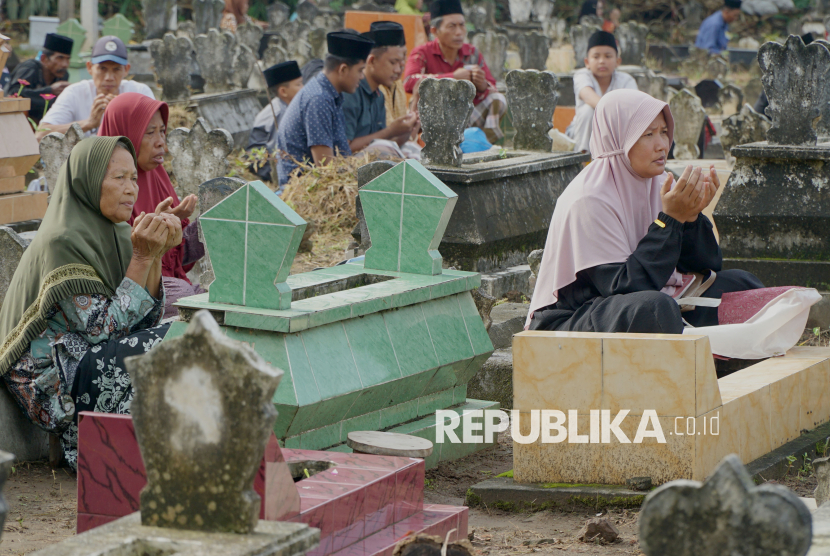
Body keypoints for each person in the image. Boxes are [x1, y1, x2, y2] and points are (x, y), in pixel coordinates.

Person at [0, 136, 181, 468]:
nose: (132, 189)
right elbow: (104, 332)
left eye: (133, 178)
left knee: (186, 334)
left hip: (89, 359)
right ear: (88, 181)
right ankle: (93, 449)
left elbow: (142, 322)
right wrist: (142, 257)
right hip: (52, 385)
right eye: (118, 178)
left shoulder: (117, 233)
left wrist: (155, 253)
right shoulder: (63, 240)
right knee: (176, 341)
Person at [527, 90, 763, 334]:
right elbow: (625, 287)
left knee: (742, 285)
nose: (662, 144)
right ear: (618, 139)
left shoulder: (660, 183)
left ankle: (729, 361)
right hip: (577, 315)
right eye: (647, 134)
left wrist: (691, 216)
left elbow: (708, 265)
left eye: (663, 132)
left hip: (647, 299)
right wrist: (671, 220)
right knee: (653, 309)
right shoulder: (588, 199)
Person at [98, 93, 204, 318]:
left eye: (162, 131)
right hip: (125, 294)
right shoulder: (104, 187)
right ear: (126, 132)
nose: (161, 143)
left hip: (164, 284)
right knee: (188, 300)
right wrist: (156, 230)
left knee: (217, 296)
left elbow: (178, 263)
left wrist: (186, 227)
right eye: (150, 132)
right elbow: (120, 267)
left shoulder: (158, 179)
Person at [275, 31, 374, 188]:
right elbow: (327, 170)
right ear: (343, 70)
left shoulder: (329, 94)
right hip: (304, 194)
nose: (362, 77)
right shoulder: (318, 99)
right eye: (360, 70)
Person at [403, 0, 507, 144]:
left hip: (466, 118)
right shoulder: (422, 53)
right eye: (452, 27)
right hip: (433, 119)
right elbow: (408, 81)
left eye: (462, 25)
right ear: (434, 31)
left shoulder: (472, 53)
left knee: (498, 99)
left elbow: (492, 87)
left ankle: (480, 145)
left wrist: (482, 85)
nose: (459, 32)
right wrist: (452, 77)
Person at [37, 36, 154, 141]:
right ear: (89, 67)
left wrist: (120, 121)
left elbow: (156, 134)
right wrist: (88, 124)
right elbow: (41, 135)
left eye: (116, 69)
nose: (109, 78)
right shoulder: (75, 92)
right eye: (102, 69)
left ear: (126, 70)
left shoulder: (140, 93)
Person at [342, 22, 419, 158]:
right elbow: (345, 149)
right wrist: (390, 131)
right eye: (392, 62)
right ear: (371, 61)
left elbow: (384, 142)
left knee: (412, 150)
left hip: (372, 159)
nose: (398, 69)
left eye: (401, 61)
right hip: (348, 166)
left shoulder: (378, 95)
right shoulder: (351, 91)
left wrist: (406, 130)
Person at [566, 30, 637, 154]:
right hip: (580, 135)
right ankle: (582, 163)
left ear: (618, 61)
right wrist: (612, 111)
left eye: (608, 56)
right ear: (587, 62)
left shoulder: (626, 81)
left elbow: (633, 108)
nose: (602, 61)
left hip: (615, 134)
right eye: (596, 56)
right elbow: (587, 96)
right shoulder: (582, 75)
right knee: (588, 110)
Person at [247, 61, 304, 182]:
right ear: (283, 91)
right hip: (266, 169)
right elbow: (275, 150)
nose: (303, 88)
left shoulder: (288, 106)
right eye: (299, 85)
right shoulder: (278, 112)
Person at [3, 33, 73, 123]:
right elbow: (13, 93)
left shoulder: (63, 75)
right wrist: (49, 91)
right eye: (60, 58)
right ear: (44, 58)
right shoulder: (30, 68)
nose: (65, 64)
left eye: (68, 59)